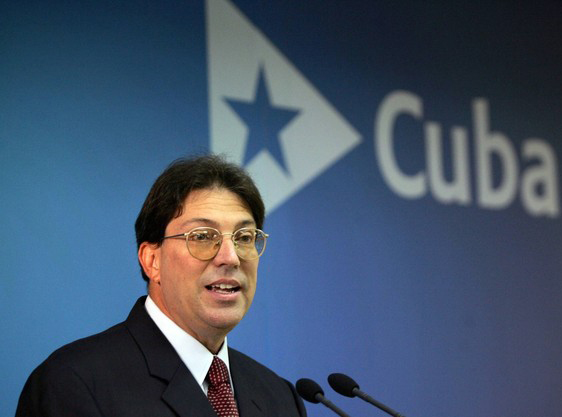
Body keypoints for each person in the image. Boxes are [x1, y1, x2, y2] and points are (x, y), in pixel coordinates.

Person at [16, 155, 307, 417]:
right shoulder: (74, 384)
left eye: (244, 237)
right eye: (203, 236)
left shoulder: (280, 398)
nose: (230, 258)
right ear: (152, 260)